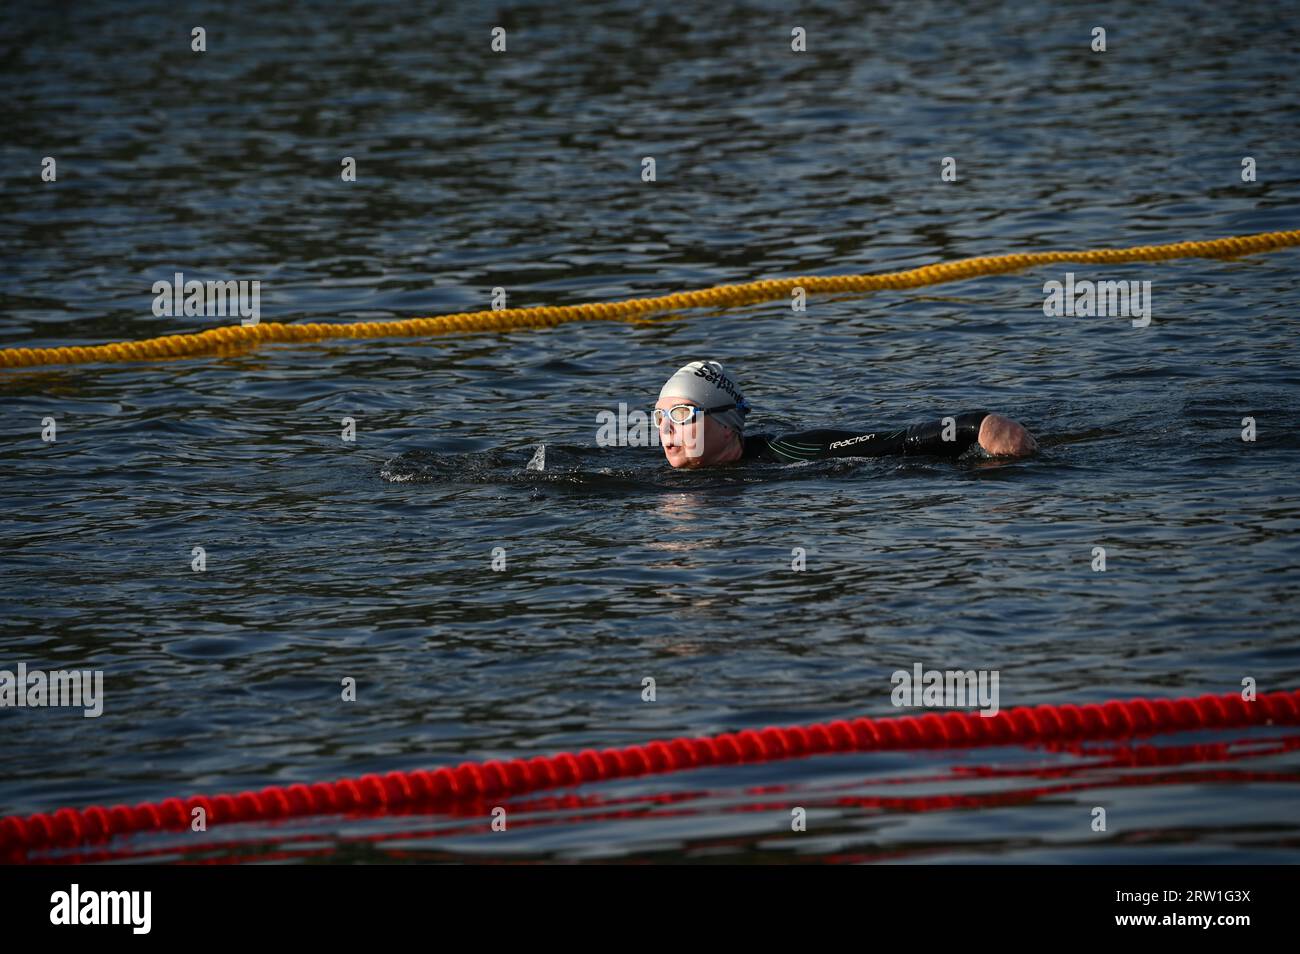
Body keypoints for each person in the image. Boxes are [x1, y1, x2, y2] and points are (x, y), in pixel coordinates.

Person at [654, 360, 1037, 469]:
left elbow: (896, 442)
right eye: (659, 417)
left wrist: (977, 424)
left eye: (683, 413)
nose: (666, 428)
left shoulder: (793, 450)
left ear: (726, 425)